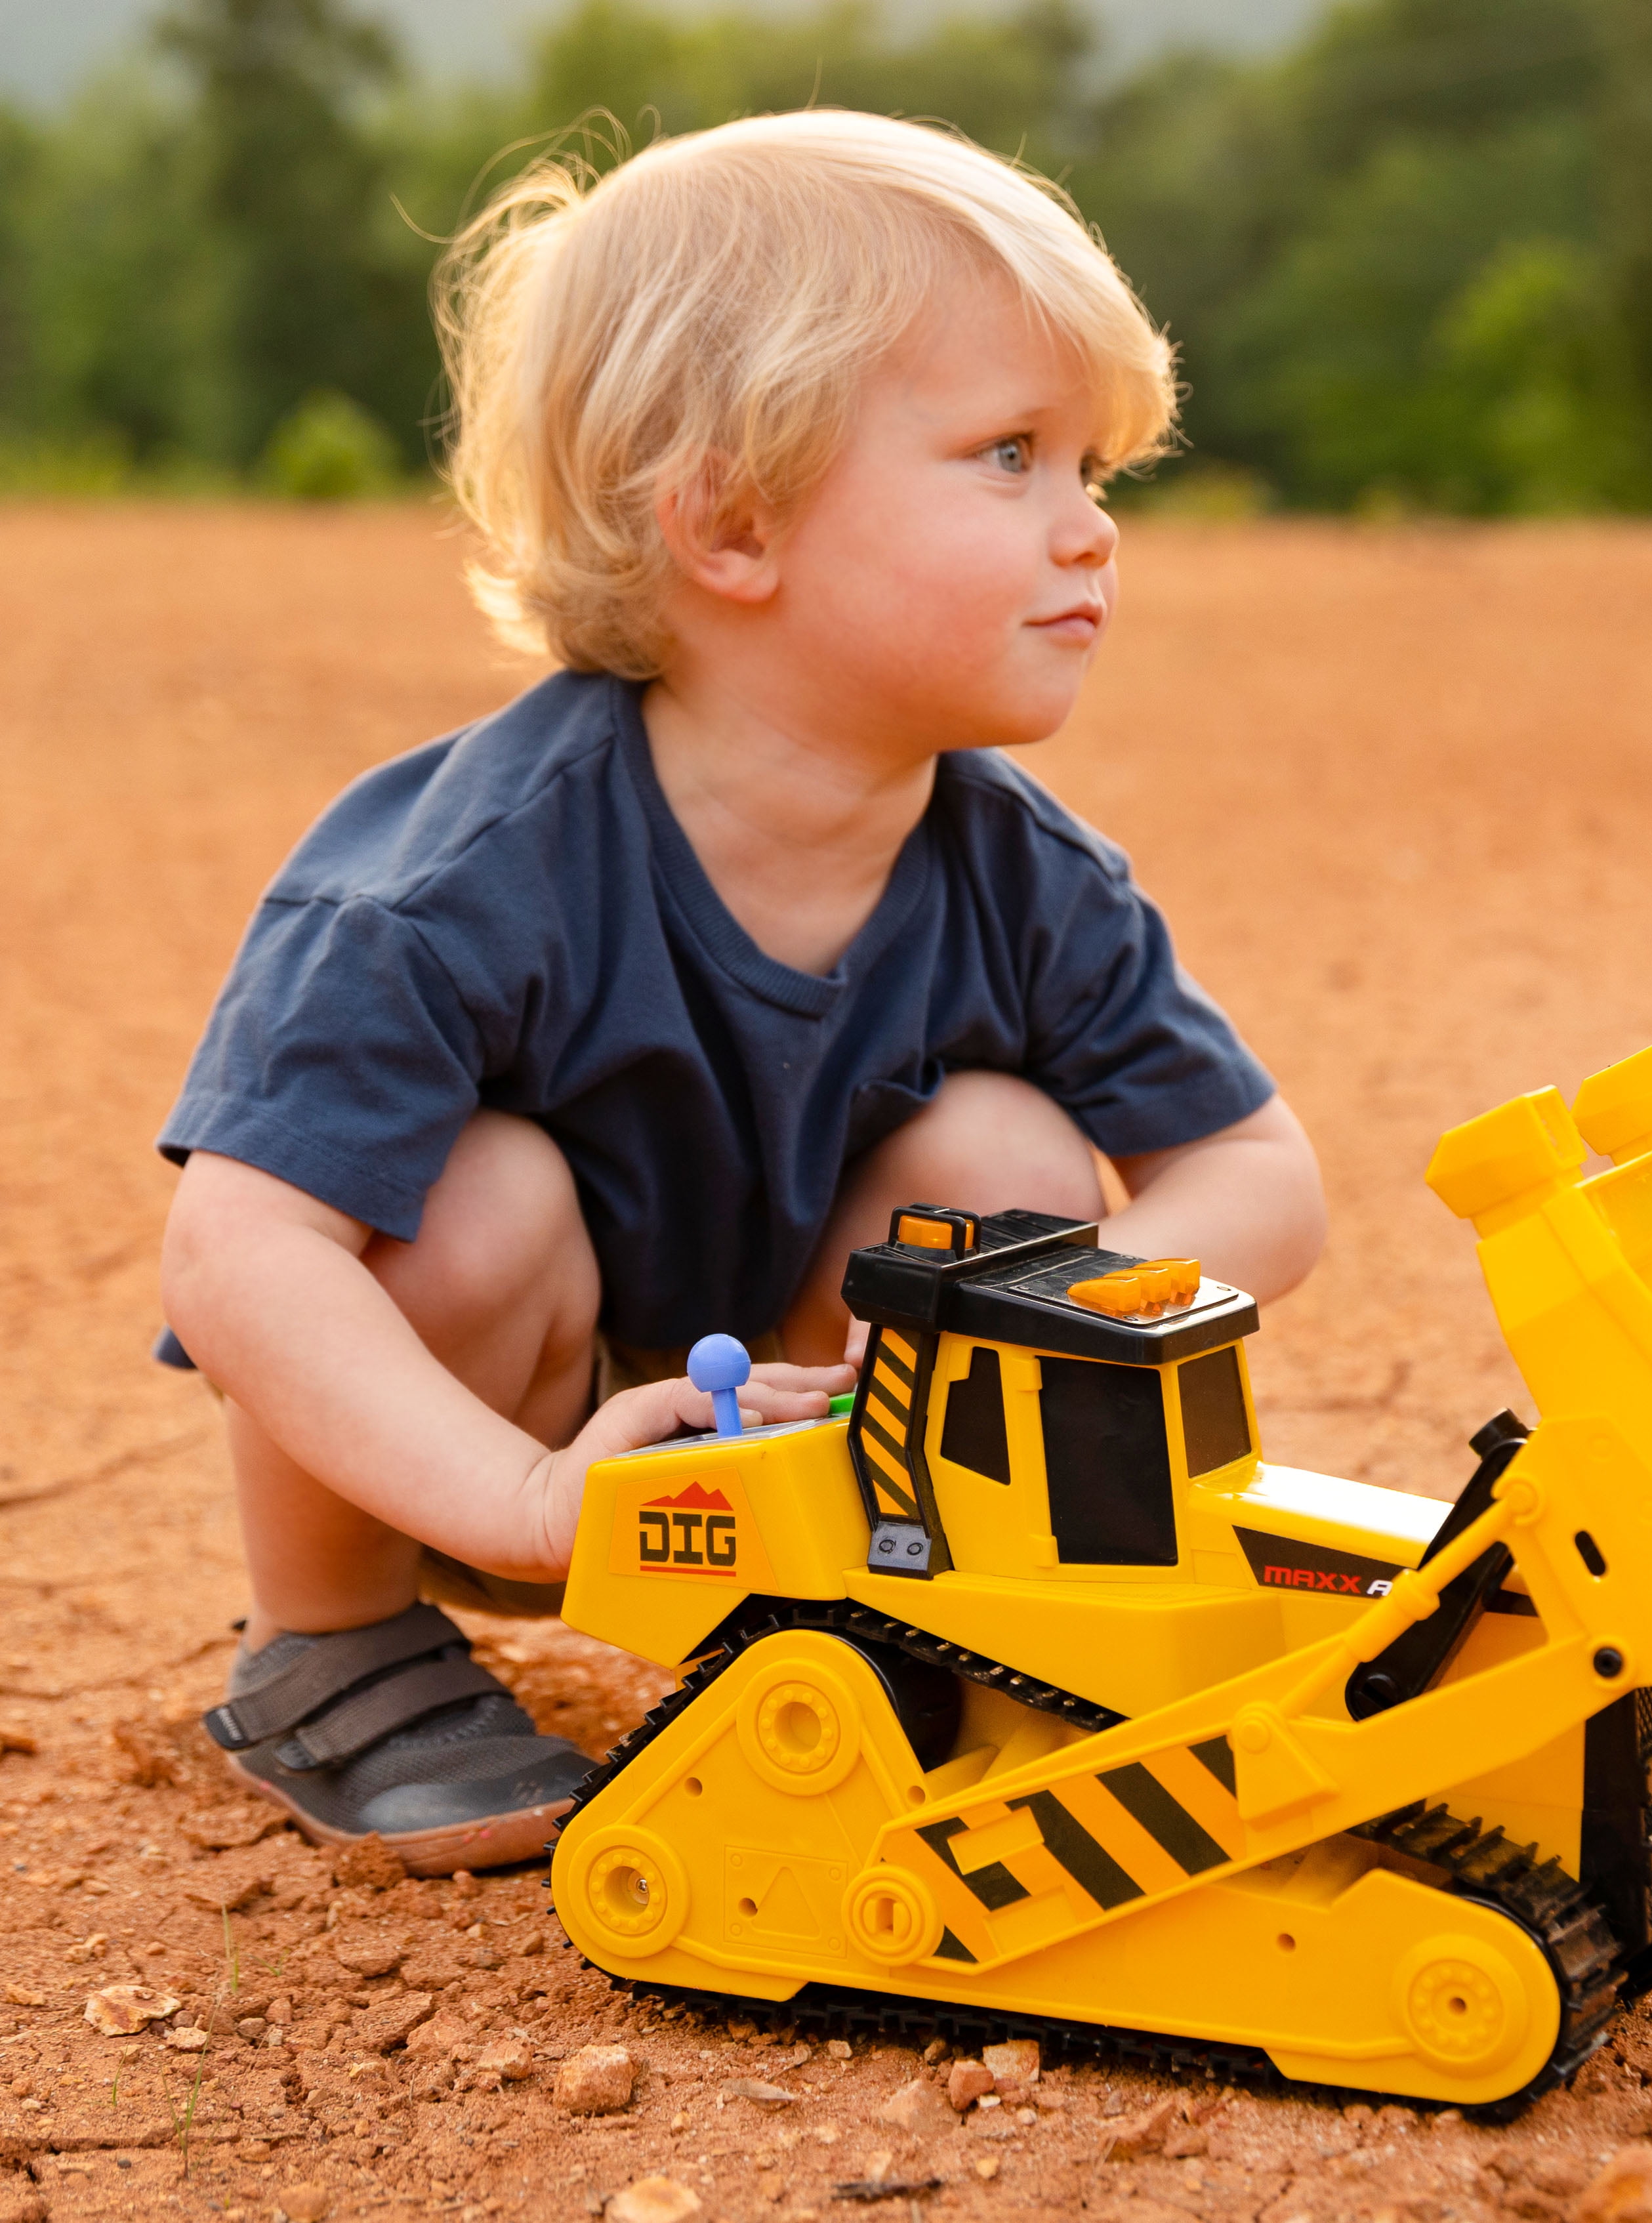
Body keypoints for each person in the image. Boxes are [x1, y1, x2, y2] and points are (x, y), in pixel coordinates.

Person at [154, 111, 1327, 1873]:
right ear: (731, 520)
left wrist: (992, 1330)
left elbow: (1260, 1177)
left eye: (1096, 467)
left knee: (1003, 1159)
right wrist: (531, 1497)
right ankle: (331, 1649)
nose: (1091, 530)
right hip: (492, 1445)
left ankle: (864, 1613)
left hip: (800, 1442)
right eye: (1010, 455)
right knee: (472, 1197)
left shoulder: (1027, 871)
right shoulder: (460, 876)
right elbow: (236, 1253)